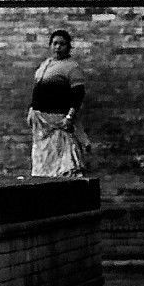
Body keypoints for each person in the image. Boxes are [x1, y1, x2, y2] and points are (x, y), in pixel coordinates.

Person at [27, 28, 92, 177]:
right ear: (50, 45)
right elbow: (37, 90)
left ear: (68, 47)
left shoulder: (72, 68)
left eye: (62, 44)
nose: (58, 47)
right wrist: (32, 109)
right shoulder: (45, 64)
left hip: (59, 122)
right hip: (41, 124)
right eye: (55, 43)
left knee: (63, 163)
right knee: (43, 161)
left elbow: (78, 95)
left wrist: (69, 117)